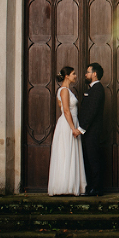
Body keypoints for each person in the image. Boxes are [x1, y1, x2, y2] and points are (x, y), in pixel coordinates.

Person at [47, 66, 87, 196]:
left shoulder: (67, 90)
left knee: (70, 152)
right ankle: (65, 186)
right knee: (66, 153)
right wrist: (73, 128)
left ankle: (71, 185)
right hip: (67, 124)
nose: (75, 76)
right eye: (73, 74)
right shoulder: (64, 90)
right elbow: (65, 110)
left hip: (71, 122)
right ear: (67, 76)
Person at [79, 62, 105, 196]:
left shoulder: (97, 89)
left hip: (92, 131)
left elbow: (92, 111)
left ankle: (96, 188)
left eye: (88, 72)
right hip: (89, 132)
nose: (86, 74)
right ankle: (91, 187)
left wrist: (82, 128)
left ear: (94, 74)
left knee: (93, 159)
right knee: (89, 159)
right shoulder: (92, 89)